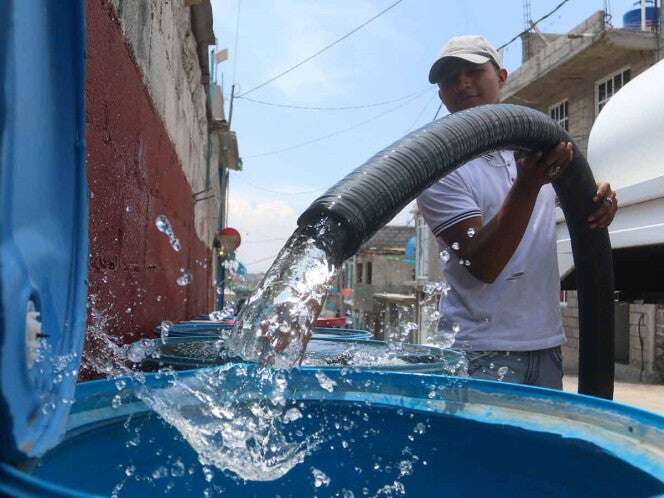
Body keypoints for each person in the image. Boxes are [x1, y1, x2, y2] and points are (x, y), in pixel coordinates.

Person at [417, 35, 618, 389]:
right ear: (441, 95)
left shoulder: (535, 149)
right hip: (477, 354)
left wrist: (599, 202)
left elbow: (576, 206)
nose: (462, 83)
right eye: (450, 78)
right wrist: (527, 185)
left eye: (474, 71)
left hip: (546, 347)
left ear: (502, 77)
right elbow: (483, 264)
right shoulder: (439, 168)